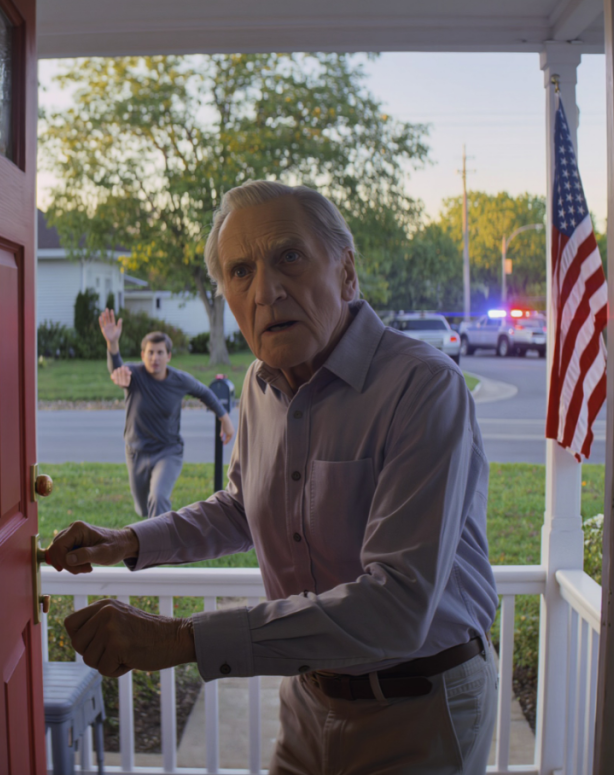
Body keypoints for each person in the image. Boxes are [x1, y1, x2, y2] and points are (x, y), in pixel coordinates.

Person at [51, 182, 499, 774]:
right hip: (308, 696)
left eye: (289, 256)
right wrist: (129, 540)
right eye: (240, 271)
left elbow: (398, 604)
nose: (265, 291)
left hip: (418, 706)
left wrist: (180, 638)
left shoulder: (422, 387)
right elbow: (244, 506)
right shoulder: (260, 383)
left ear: (346, 272)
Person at [98, 310, 235, 518]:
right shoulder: (134, 375)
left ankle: (160, 539)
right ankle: (155, 531)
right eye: (150, 352)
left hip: (168, 451)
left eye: (160, 352)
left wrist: (225, 418)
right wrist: (112, 343)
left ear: (168, 356)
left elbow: (205, 393)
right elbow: (117, 369)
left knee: (159, 498)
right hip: (136, 452)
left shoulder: (179, 380)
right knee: (144, 509)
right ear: (143, 355)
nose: (155, 358)